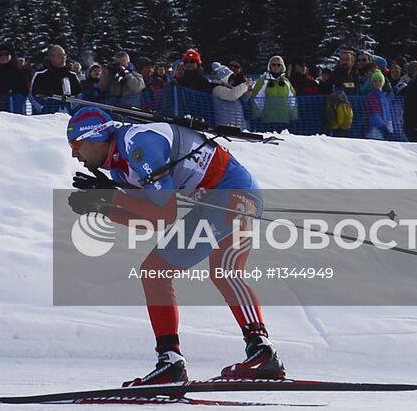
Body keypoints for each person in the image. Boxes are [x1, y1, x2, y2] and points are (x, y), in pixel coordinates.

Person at [66, 107, 285, 386]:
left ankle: (263, 351)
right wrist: (103, 209)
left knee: (224, 268)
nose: (74, 154)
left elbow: (165, 212)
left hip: (235, 191)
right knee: (154, 271)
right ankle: (170, 360)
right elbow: (155, 220)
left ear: (96, 138)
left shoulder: (138, 144)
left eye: (76, 145)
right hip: (208, 202)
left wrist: (111, 198)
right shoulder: (120, 172)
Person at [249, 55, 297, 129]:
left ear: (282, 67)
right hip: (267, 120)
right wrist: (258, 115)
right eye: (273, 64)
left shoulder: (286, 82)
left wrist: (294, 116)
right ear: (269, 66)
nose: (276, 67)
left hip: (284, 120)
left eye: (278, 65)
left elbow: (293, 100)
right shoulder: (262, 81)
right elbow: (256, 99)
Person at [31, 44, 82, 109]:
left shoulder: (72, 76)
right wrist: (41, 108)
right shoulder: (41, 75)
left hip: (67, 115)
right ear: (51, 57)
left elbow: (79, 94)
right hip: (45, 116)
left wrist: (72, 107)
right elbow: (32, 95)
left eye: (64, 55)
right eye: (60, 55)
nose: (63, 57)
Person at [210, 62, 253, 128]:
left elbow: (244, 98)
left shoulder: (229, 88)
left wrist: (249, 90)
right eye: (231, 79)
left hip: (237, 125)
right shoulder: (217, 89)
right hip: (224, 125)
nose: (232, 81)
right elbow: (232, 95)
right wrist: (246, 85)